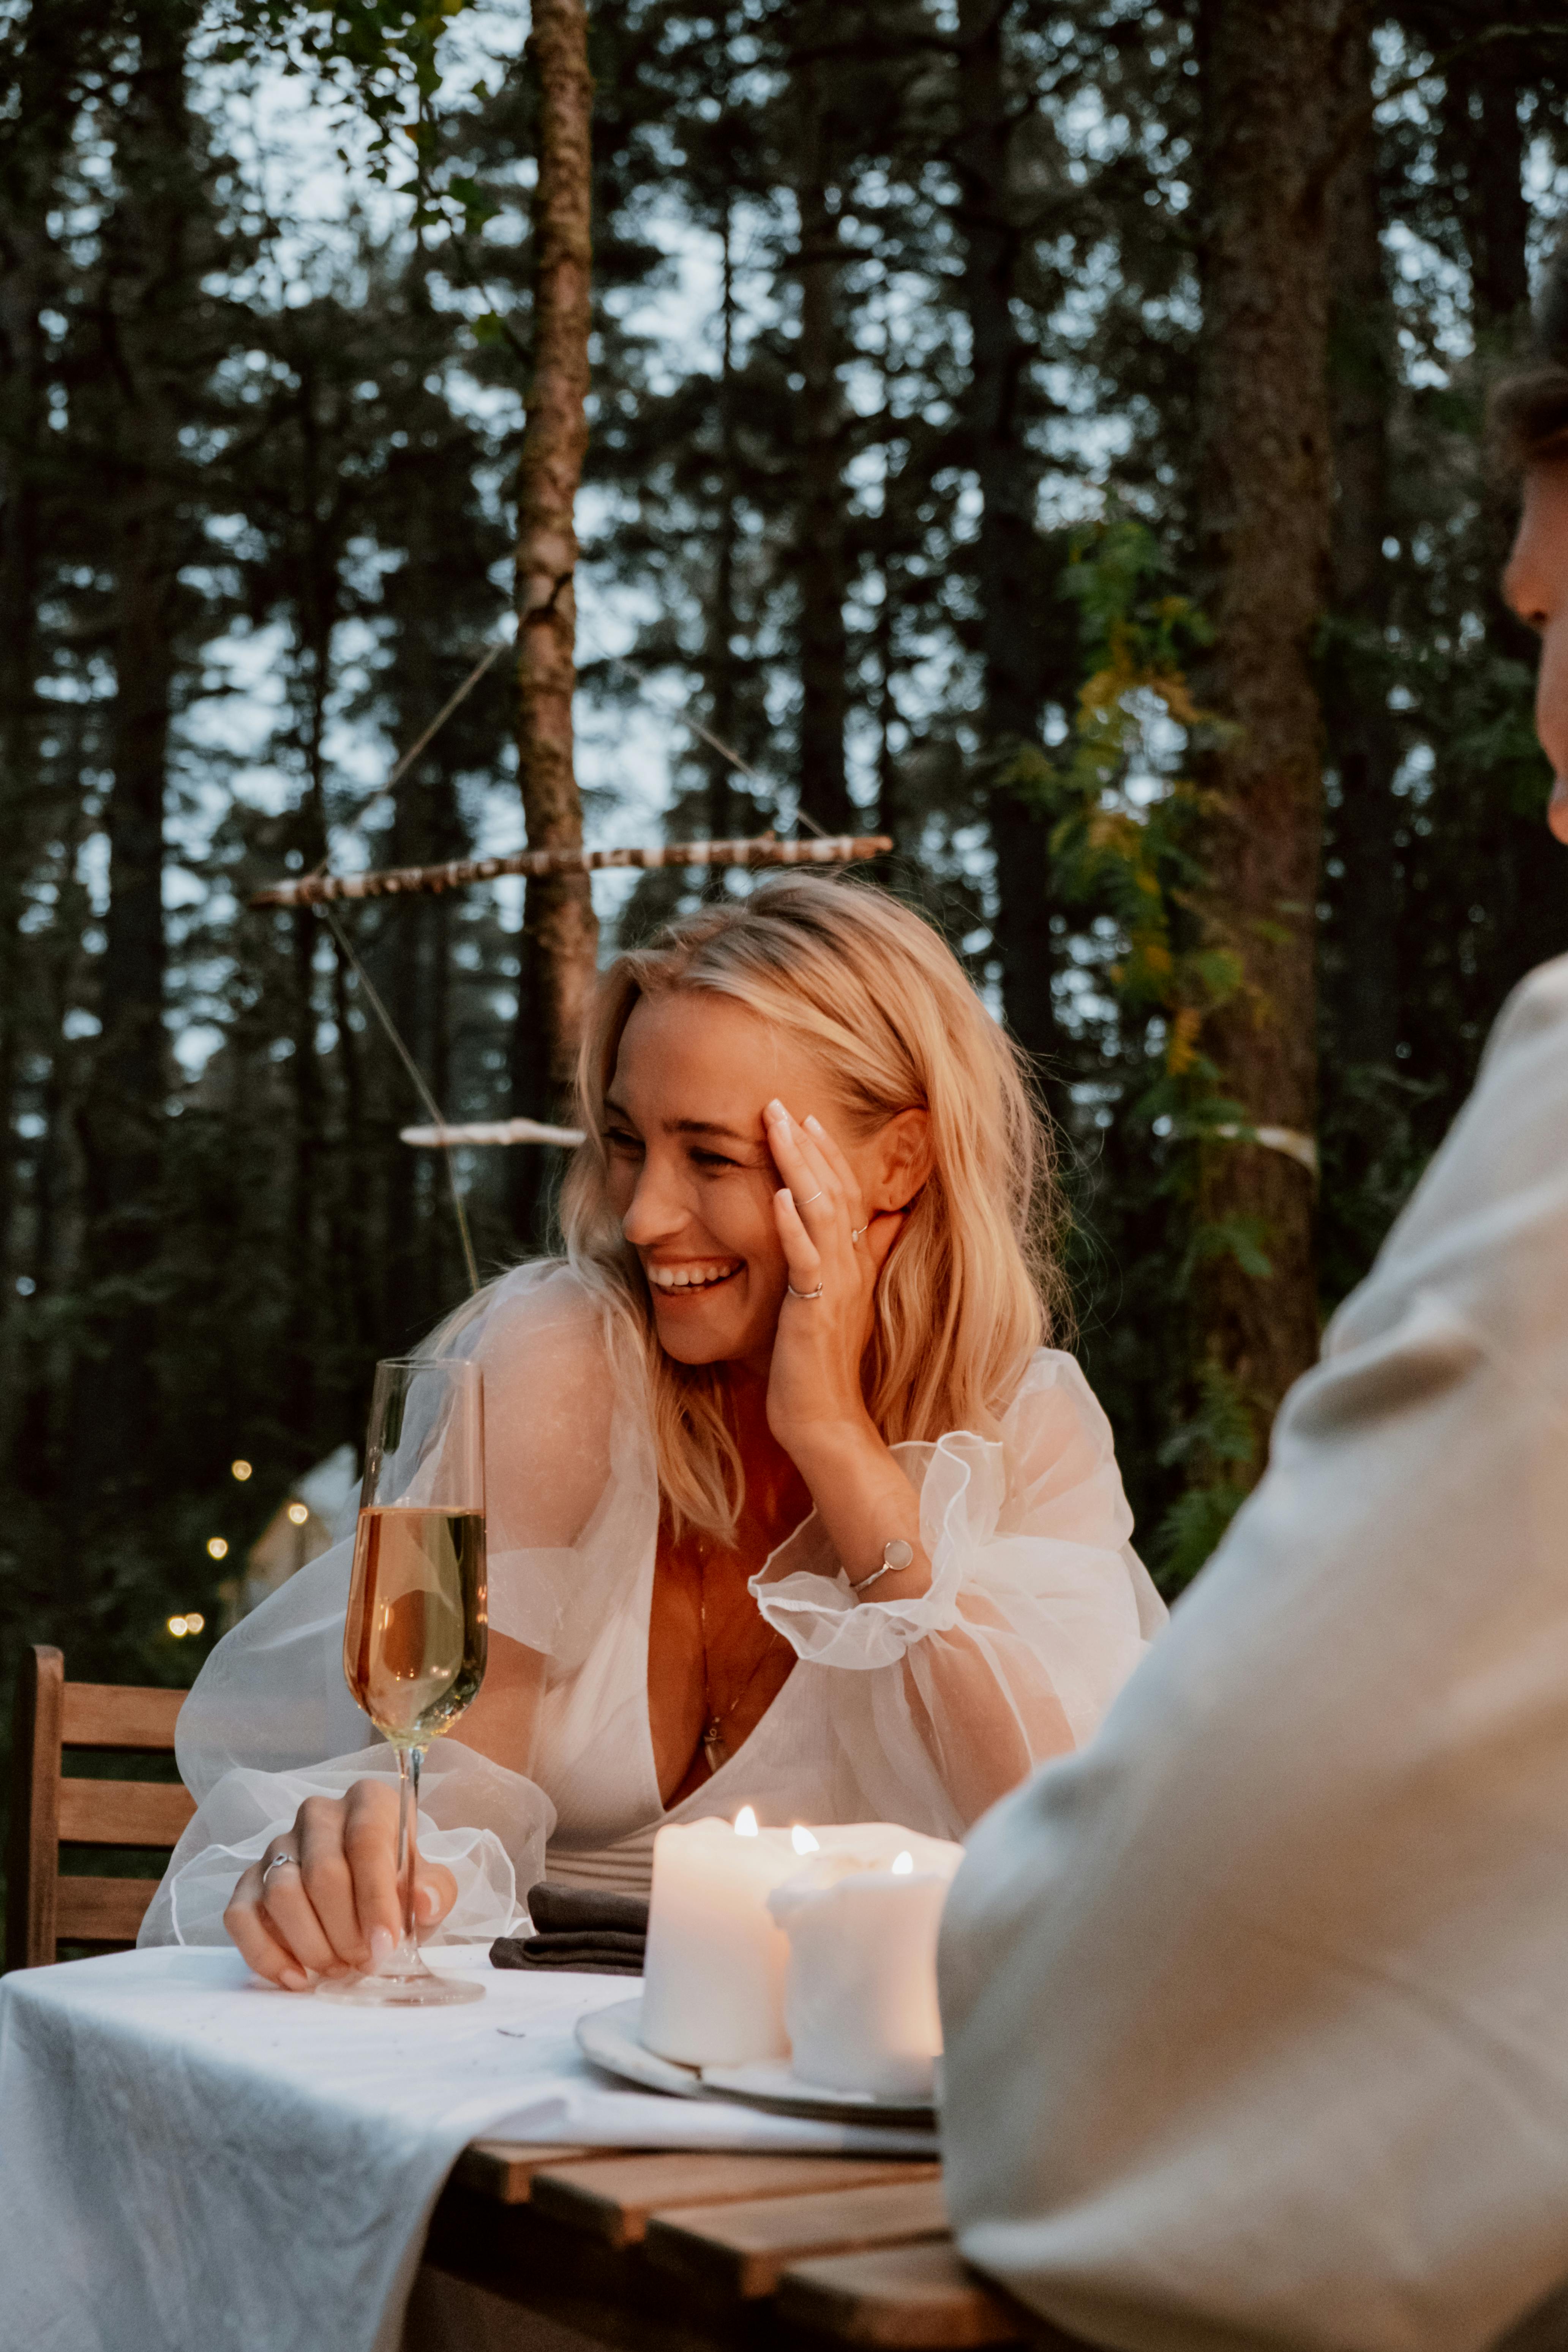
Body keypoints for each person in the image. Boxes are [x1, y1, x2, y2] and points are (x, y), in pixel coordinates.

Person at [938, 274, 1568, 2351]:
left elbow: (1129, 2049)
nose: (1551, 785)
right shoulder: (538, 1382)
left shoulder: (1019, 1410)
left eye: (1553, 629)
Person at [142, 877, 1163, 1986]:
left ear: (897, 1161)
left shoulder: (1027, 1425)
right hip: (528, 2063)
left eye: (713, 1158)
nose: (640, 1216)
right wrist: (373, 1863)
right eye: (628, 1141)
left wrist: (832, 1434)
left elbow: (1074, 1861)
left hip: (841, 2089)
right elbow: (456, 1793)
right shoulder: (562, 1362)